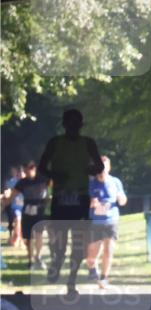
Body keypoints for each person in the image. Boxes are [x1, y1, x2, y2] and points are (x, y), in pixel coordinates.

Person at [38, 109, 103, 298]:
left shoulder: (88, 143)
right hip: (61, 197)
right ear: (64, 124)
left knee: (79, 244)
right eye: (70, 123)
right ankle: (57, 261)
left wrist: (90, 169)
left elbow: (99, 166)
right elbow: (42, 166)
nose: (73, 127)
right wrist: (54, 175)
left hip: (81, 198)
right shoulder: (55, 143)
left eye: (77, 124)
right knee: (59, 241)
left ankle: (71, 282)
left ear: (81, 125)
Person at [86, 156, 127, 289]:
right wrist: (93, 203)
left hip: (112, 220)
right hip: (97, 221)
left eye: (105, 167)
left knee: (109, 249)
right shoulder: (92, 184)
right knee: (93, 252)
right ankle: (92, 269)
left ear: (109, 167)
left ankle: (104, 278)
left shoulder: (115, 182)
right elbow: (87, 201)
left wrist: (121, 199)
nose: (102, 170)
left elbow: (123, 200)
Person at [16, 162, 49, 270]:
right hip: (27, 211)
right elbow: (13, 194)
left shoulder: (43, 179)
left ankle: (38, 257)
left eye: (27, 170)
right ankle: (30, 260)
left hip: (39, 210)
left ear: (33, 169)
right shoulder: (22, 182)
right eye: (25, 170)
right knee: (28, 238)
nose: (26, 172)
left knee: (39, 235)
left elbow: (54, 185)